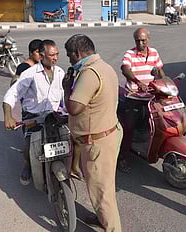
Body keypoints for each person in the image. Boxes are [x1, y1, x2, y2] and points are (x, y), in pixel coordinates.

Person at [63, 34, 122, 231]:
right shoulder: (104, 66)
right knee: (103, 188)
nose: (69, 59)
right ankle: (101, 219)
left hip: (97, 143)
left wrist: (66, 88)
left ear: (78, 53)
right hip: (108, 133)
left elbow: (73, 108)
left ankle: (111, 227)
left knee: (103, 195)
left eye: (69, 55)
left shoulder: (90, 73)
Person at [3, 39, 65, 186]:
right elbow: (12, 94)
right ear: (41, 55)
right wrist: (8, 116)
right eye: (51, 55)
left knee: (70, 139)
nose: (55, 58)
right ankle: (28, 165)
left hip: (54, 115)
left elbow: (65, 95)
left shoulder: (60, 72)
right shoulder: (30, 73)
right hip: (33, 117)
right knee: (29, 148)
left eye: (57, 54)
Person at [117, 27, 165, 172]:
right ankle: (122, 158)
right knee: (129, 128)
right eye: (138, 41)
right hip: (134, 97)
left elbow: (160, 70)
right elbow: (125, 69)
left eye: (143, 40)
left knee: (158, 125)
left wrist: (162, 78)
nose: (140, 43)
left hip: (151, 98)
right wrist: (138, 83)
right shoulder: (130, 54)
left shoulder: (154, 53)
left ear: (148, 40)